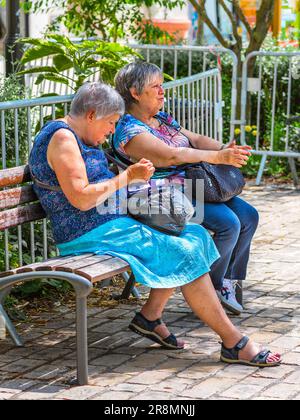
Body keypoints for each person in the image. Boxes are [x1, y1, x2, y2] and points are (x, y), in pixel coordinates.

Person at [29, 82, 281, 367]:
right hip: (86, 232)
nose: (111, 131)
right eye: (110, 123)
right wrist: (127, 178)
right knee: (182, 250)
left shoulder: (80, 135)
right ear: (90, 115)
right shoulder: (63, 139)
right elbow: (82, 200)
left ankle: (150, 316)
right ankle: (233, 342)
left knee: (194, 234)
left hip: (112, 223)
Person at [114, 61, 259, 315]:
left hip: (196, 185)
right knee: (229, 223)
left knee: (248, 216)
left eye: (162, 85)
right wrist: (217, 159)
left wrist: (224, 148)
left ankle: (227, 279)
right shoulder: (129, 131)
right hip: (162, 198)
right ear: (135, 93)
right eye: (155, 86)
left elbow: (194, 139)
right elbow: (170, 156)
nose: (162, 91)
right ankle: (212, 288)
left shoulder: (161, 118)